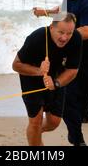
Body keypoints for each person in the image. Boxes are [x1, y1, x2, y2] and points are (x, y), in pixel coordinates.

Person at [33, 0, 88, 146]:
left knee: (80, 102)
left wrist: (64, 35)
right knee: (70, 100)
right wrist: (46, 12)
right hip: (72, 59)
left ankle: (74, 132)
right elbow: (63, 12)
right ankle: (77, 140)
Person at [12, 12, 82, 146]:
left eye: (69, 33)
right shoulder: (37, 38)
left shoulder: (76, 38)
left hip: (55, 78)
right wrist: (39, 71)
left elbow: (72, 70)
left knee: (54, 123)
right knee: (35, 121)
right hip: (31, 79)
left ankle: (33, 132)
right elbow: (16, 65)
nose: (64, 38)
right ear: (51, 28)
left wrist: (56, 83)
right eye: (61, 32)